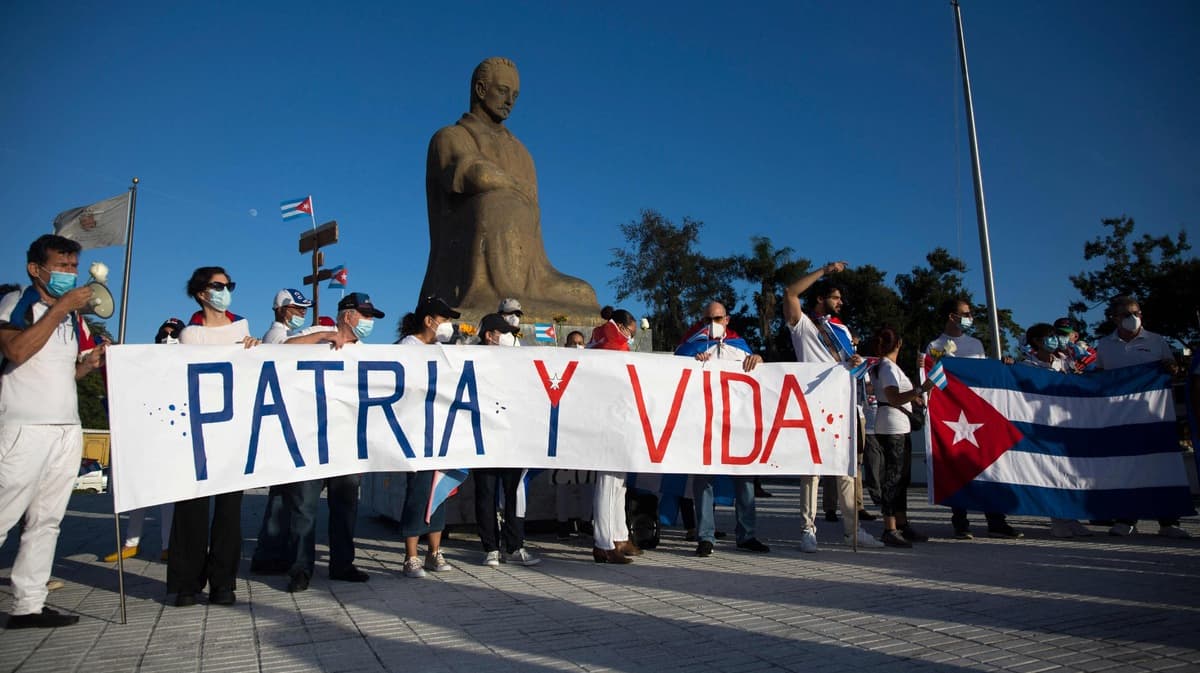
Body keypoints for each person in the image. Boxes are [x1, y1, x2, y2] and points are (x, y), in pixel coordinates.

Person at [421, 56, 598, 319]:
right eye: (503, 91)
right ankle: (493, 297)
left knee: (585, 294)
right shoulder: (451, 137)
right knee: (499, 202)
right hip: (469, 272)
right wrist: (513, 187)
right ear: (481, 90)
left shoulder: (521, 152)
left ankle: (524, 298)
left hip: (531, 273)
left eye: (515, 95)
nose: (510, 101)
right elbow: (474, 174)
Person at [0, 235, 105, 629]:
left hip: (66, 425)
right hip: (24, 427)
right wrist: (60, 307)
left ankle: (29, 603)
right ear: (36, 269)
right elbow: (17, 352)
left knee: (46, 520)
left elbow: (69, 371)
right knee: (4, 514)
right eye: (61, 265)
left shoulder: (74, 319)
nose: (69, 273)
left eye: (73, 266)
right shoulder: (18, 304)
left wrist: (90, 364)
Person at [267, 292, 382, 592]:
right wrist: (325, 337)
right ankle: (300, 568)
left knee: (345, 508)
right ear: (347, 315)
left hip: (346, 442)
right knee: (303, 508)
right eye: (365, 315)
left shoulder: (366, 353)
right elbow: (283, 348)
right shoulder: (315, 335)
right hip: (310, 439)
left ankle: (342, 564)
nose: (369, 321)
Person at [168, 266, 260, 607]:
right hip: (196, 430)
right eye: (218, 286)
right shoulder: (189, 334)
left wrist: (255, 350)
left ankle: (224, 582)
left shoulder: (242, 328)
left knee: (229, 513)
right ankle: (186, 583)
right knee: (190, 509)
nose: (225, 291)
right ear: (201, 293)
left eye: (228, 285)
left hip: (232, 431)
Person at [781, 261, 882, 551]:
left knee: (847, 470)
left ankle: (853, 531)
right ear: (820, 299)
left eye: (840, 298)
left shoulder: (843, 330)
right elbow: (789, 292)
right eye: (835, 298)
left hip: (843, 406)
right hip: (813, 406)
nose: (840, 302)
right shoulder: (803, 325)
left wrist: (856, 363)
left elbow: (849, 366)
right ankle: (807, 530)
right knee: (811, 469)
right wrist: (824, 271)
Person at [676, 301, 770, 557]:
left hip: (736, 424)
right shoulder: (691, 345)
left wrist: (759, 359)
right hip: (704, 423)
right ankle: (705, 536)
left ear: (726, 320)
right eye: (707, 319)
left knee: (745, 480)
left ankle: (747, 534)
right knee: (703, 479)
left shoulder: (740, 346)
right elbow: (675, 374)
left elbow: (759, 375)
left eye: (716, 319)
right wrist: (693, 364)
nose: (712, 324)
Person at [1093, 296, 1190, 539]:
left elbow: (1172, 370)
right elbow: (1100, 378)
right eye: (1126, 314)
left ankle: (1168, 522)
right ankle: (1127, 518)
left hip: (1155, 416)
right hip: (1120, 418)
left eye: (1136, 312)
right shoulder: (1105, 345)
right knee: (1125, 467)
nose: (1133, 318)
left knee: (1160, 466)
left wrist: (1171, 368)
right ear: (1114, 318)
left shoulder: (1157, 341)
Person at [926, 298, 1022, 540]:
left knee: (989, 465)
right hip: (953, 416)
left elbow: (984, 378)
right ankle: (960, 522)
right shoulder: (935, 345)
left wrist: (1002, 366)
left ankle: (996, 520)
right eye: (965, 313)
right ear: (952, 316)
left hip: (979, 414)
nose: (969, 318)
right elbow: (931, 380)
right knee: (956, 467)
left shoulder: (976, 344)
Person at [104, 317, 183, 563]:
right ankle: (131, 543)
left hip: (172, 438)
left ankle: (168, 545)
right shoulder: (143, 363)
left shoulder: (183, 365)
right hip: (144, 437)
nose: (167, 337)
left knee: (168, 498)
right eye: (164, 333)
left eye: (173, 333)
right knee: (137, 492)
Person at [394, 296, 461, 577]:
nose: (446, 325)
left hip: (441, 431)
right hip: (415, 432)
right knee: (419, 492)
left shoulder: (440, 348)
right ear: (429, 320)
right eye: (443, 319)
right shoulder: (407, 348)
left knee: (439, 492)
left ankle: (434, 551)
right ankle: (411, 555)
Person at [472, 313, 541, 567]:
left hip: (511, 436)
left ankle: (514, 546)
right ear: (489, 335)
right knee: (486, 492)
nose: (510, 337)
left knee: (513, 492)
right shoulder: (470, 358)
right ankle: (490, 547)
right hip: (483, 436)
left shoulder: (515, 360)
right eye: (504, 332)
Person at [1018, 323, 1095, 539]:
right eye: (1049, 337)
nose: (1055, 340)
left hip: (1066, 425)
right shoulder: (1027, 365)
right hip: (1041, 426)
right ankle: (1057, 520)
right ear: (1036, 342)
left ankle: (1072, 518)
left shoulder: (1064, 362)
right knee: (1051, 474)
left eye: (1055, 336)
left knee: (1069, 474)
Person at [869, 327, 934, 548]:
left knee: (901, 478)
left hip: (896, 424)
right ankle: (890, 527)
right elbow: (894, 397)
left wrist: (914, 394)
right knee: (894, 478)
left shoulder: (887, 367)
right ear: (898, 344)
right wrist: (919, 390)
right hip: (892, 425)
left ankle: (901, 523)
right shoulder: (887, 367)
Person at [586, 309, 640, 563]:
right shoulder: (611, 342)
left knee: (619, 482)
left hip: (615, 416)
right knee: (609, 483)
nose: (631, 337)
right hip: (608, 418)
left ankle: (619, 535)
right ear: (620, 325)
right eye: (631, 331)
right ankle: (604, 543)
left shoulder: (604, 337)